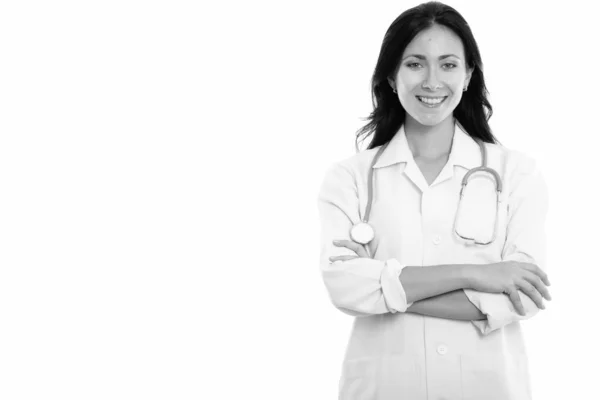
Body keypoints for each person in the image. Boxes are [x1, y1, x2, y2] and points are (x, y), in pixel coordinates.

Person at [317, 2, 551, 399]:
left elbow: (523, 296)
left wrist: (385, 288)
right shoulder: (350, 178)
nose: (431, 81)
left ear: (468, 75)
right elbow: (344, 287)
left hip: (486, 385)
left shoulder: (516, 173)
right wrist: (475, 273)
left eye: (447, 65)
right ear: (391, 76)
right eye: (414, 64)